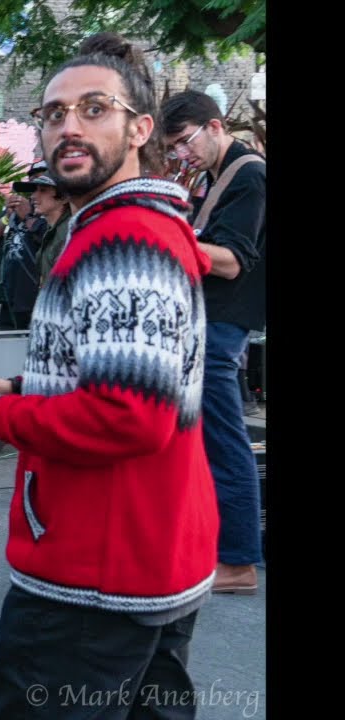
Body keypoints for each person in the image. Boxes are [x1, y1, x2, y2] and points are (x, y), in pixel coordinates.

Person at [0, 33, 219, 718]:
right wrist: (14, 390)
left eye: (94, 108)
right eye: (53, 112)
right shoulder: (135, 229)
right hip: (141, 564)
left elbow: (129, 415)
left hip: (95, 582)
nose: (68, 125)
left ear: (139, 128)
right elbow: (128, 380)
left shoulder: (122, 238)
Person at [162, 89, 267, 595]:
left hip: (221, 325)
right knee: (200, 441)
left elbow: (232, 260)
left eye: (186, 142)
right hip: (206, 320)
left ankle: (241, 561)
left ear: (216, 125)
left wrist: (166, 234)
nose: (184, 154)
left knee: (225, 445)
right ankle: (214, 548)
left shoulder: (248, 174)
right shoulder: (215, 176)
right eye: (176, 147)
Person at [0, 161, 49, 329]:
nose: (34, 193)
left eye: (41, 187)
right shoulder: (19, 209)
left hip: (34, 298)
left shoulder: (55, 213)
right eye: (31, 184)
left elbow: (47, 239)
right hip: (7, 295)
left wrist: (27, 217)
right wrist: (6, 217)